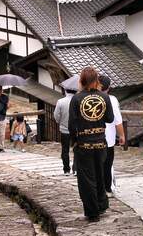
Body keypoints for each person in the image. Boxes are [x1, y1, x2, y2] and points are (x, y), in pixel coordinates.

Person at [68, 67, 114, 221]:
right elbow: (109, 118)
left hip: (84, 144)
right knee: (100, 175)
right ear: (97, 80)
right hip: (101, 143)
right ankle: (101, 205)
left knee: (87, 179)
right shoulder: (104, 97)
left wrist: (74, 142)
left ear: (81, 80)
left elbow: (72, 124)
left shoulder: (76, 98)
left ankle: (92, 211)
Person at [99, 75, 125, 195]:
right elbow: (117, 120)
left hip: (93, 138)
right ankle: (107, 188)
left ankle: (98, 189)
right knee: (108, 163)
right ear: (109, 87)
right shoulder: (112, 100)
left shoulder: (89, 98)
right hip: (108, 138)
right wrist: (122, 135)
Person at [53, 88, 75, 175]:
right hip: (76, 130)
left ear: (66, 91)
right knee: (77, 149)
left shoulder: (61, 101)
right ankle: (76, 169)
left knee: (65, 150)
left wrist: (60, 122)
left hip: (64, 129)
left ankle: (66, 169)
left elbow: (56, 115)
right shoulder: (78, 100)